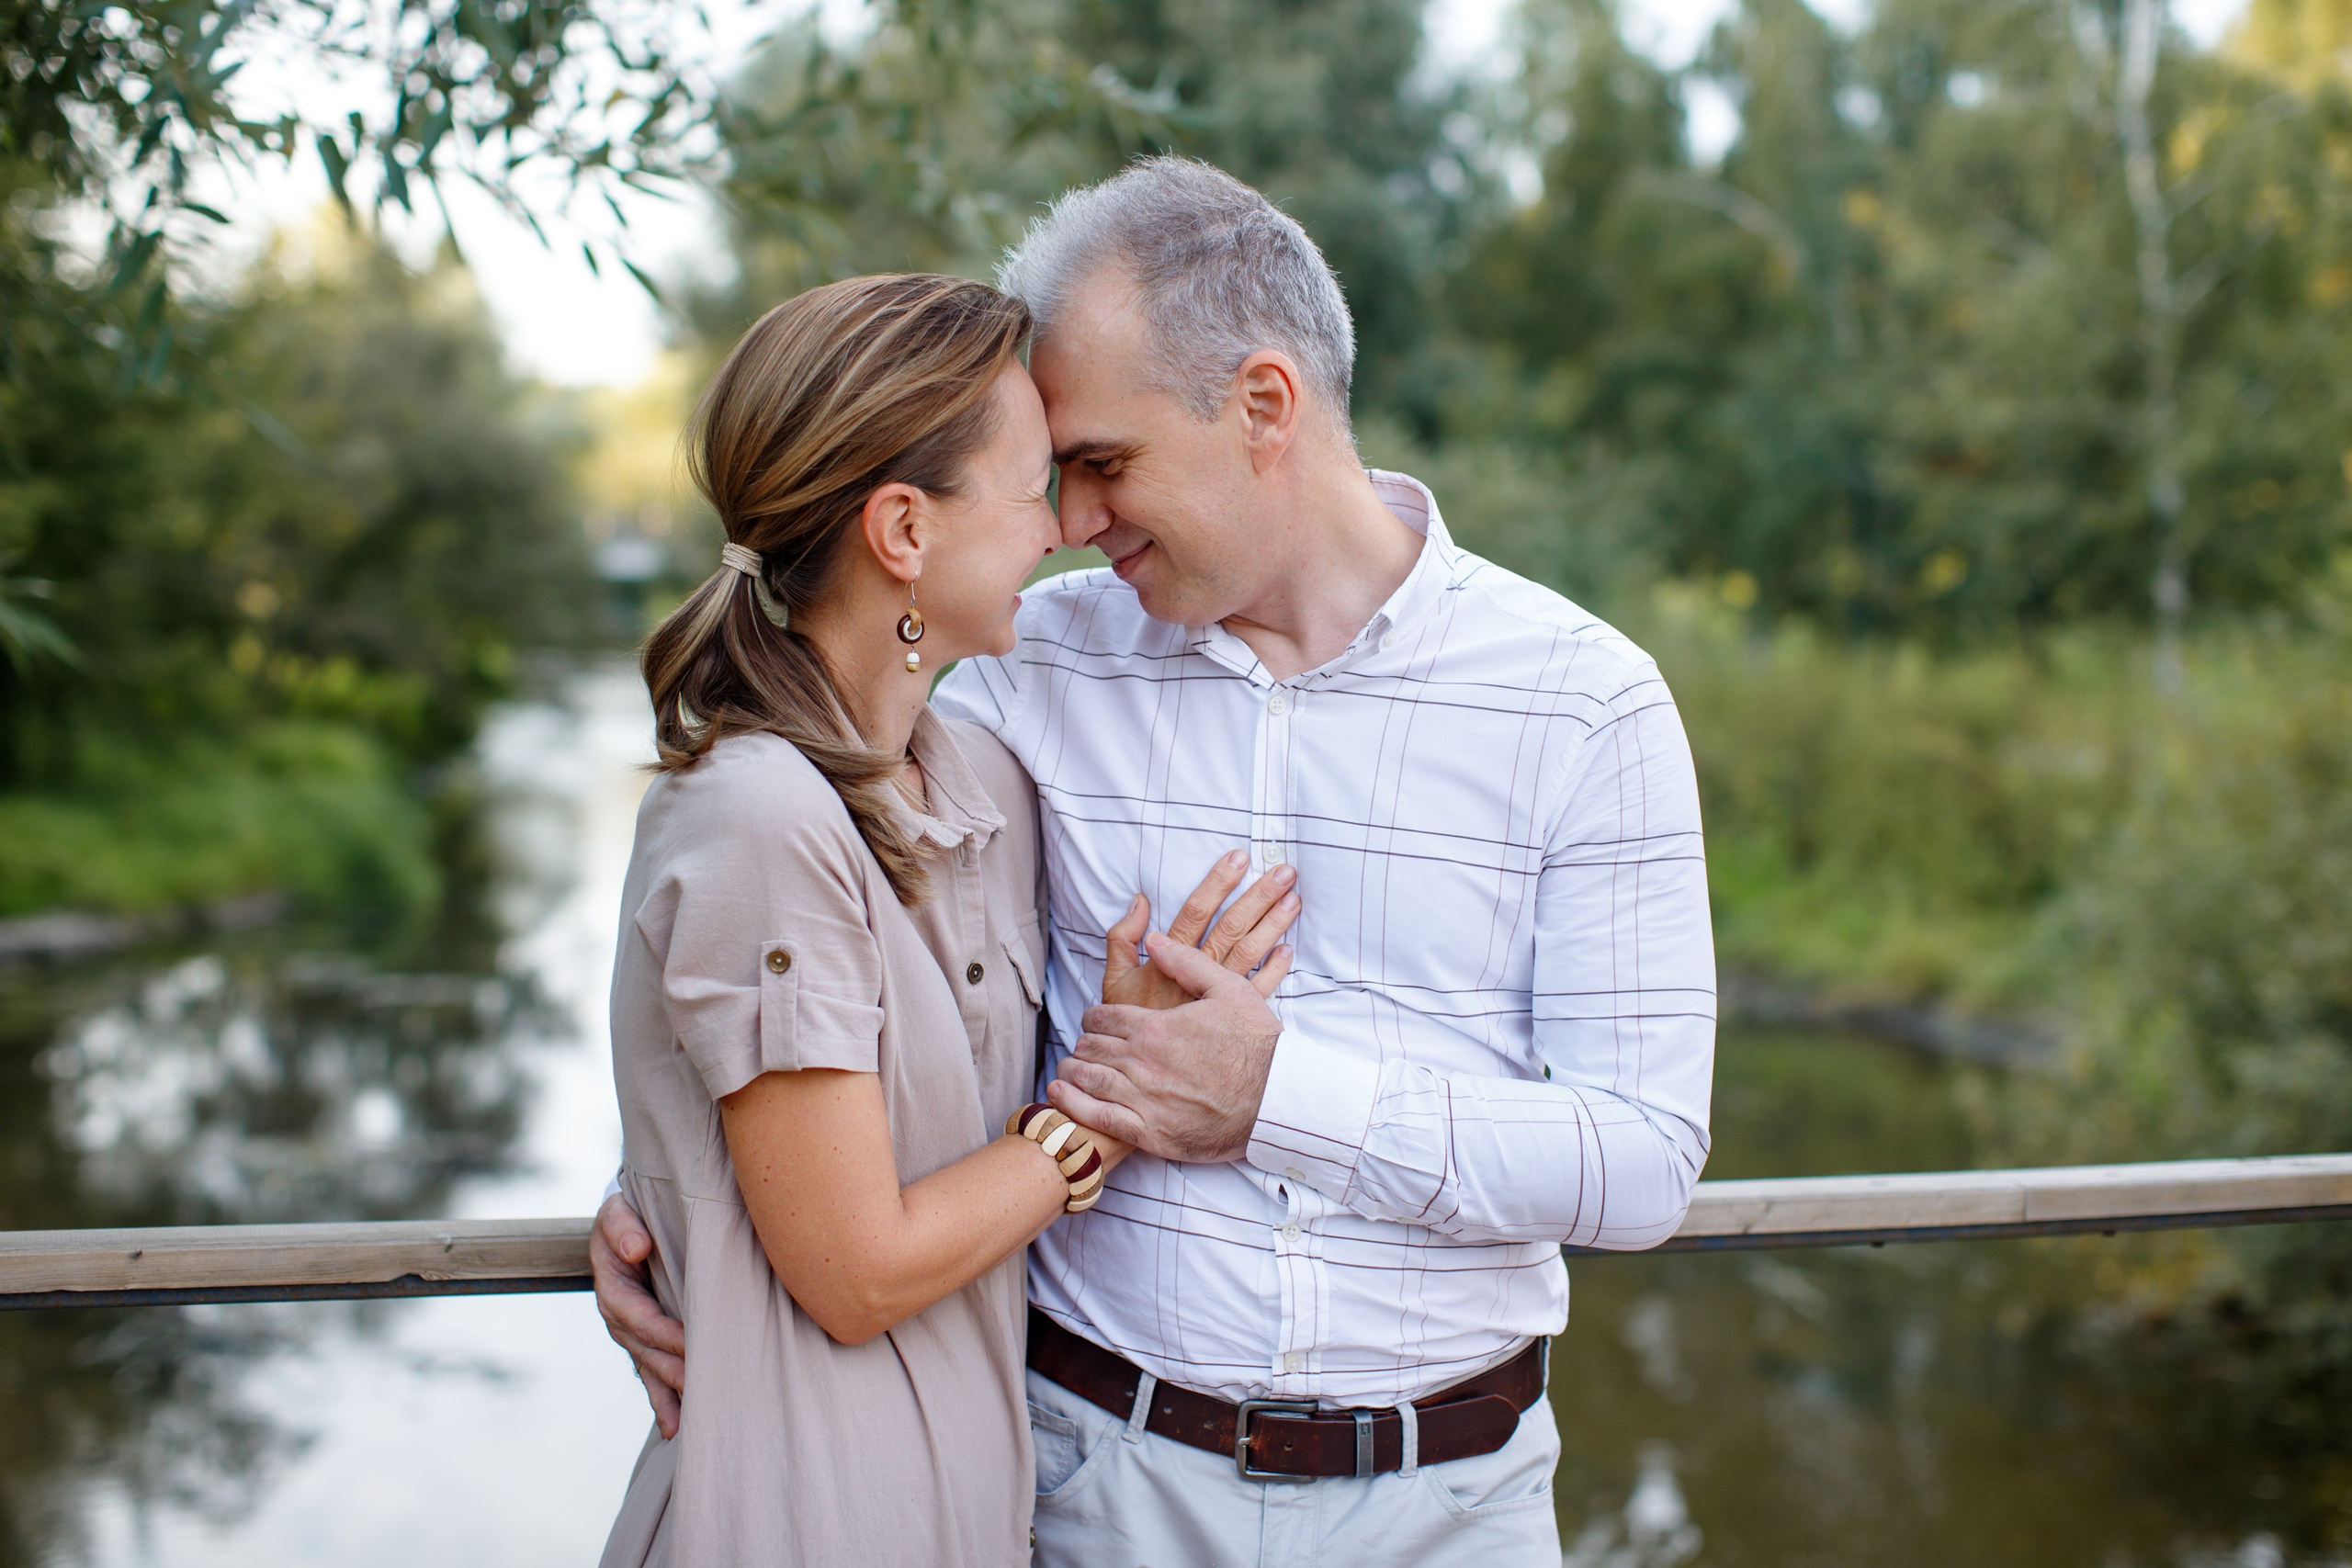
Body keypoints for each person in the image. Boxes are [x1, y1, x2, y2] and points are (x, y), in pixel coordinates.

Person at [597, 158, 1716, 1565]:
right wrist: (672, 1200)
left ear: (1263, 407)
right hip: (1093, 1497)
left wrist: (1272, 1098)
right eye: (1051, 475)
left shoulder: (1583, 703)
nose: (1071, 521)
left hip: (1459, 1508)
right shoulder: (1012, 680)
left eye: (1105, 464)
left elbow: (1645, 1161)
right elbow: (798, 960)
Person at [595, 271, 1299, 1568]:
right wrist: (1107, 1109)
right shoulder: (756, 815)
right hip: (795, 1523)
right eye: (1035, 484)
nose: (1062, 528)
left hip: (971, 1516)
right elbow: (855, 1271)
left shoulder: (978, 788)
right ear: (905, 532)